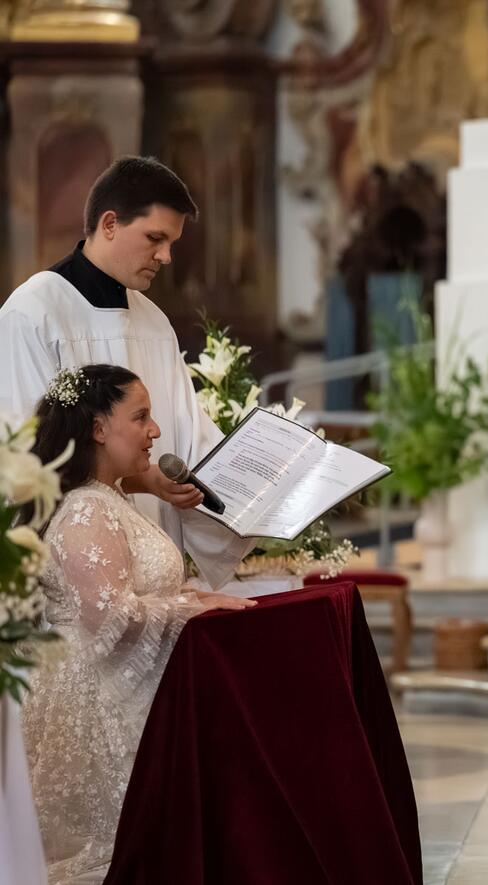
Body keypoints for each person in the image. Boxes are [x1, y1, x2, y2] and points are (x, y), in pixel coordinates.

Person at [19, 365, 255, 884]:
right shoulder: (85, 508)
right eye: (141, 416)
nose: (155, 431)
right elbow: (110, 614)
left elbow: (137, 594)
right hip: (95, 705)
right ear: (99, 428)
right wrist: (195, 609)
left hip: (121, 691)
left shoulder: (111, 499)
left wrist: (192, 596)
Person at [0, 156, 248, 586]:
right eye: (155, 238)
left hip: (154, 567)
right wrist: (141, 480)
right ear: (110, 223)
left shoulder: (153, 322)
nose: (167, 256)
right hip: (74, 574)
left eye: (172, 242)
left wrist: (258, 487)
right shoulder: (34, 312)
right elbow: (27, 461)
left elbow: (192, 440)